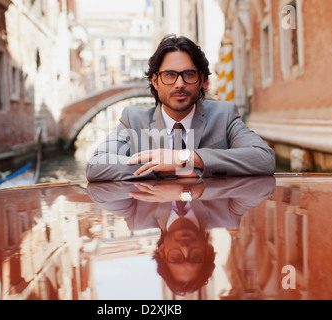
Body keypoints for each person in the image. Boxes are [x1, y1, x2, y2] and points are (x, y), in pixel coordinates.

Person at [86, 34, 275, 182]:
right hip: (154, 210)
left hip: (208, 213)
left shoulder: (224, 115)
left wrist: (186, 158)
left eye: (188, 74)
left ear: (201, 80)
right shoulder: (134, 120)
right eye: (169, 75)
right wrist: (162, 168)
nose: (179, 84)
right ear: (155, 81)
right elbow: (96, 165)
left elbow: (263, 159)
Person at [87, 176, 276, 295]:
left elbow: (98, 187)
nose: (185, 248)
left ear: (161, 251)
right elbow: (264, 187)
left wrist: (157, 170)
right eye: (195, 256)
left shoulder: (137, 217)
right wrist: (188, 191)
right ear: (208, 249)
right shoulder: (227, 215)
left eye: (176, 257)